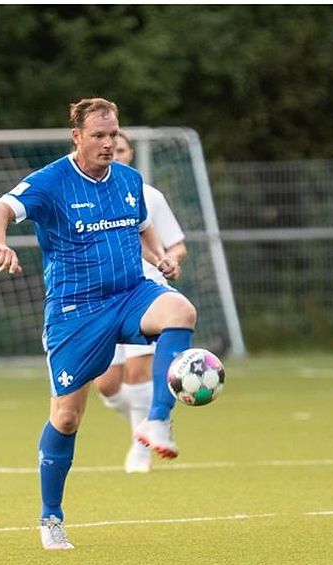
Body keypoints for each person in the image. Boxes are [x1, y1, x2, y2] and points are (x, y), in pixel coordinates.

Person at [0, 98, 197, 550]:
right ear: (76, 136)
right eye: (98, 135)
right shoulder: (51, 181)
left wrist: (159, 257)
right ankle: (51, 516)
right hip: (75, 311)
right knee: (66, 417)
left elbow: (141, 226)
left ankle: (157, 420)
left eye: (113, 134)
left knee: (181, 312)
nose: (108, 143)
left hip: (131, 293)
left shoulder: (129, 180)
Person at [93, 130, 189, 474]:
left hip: (145, 295)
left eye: (121, 149)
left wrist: (169, 259)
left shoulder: (148, 195)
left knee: (138, 372)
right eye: (109, 149)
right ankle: (146, 420)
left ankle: (143, 446)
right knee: (107, 384)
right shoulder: (86, 194)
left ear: (130, 154)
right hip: (103, 296)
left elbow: (175, 244)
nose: (115, 154)